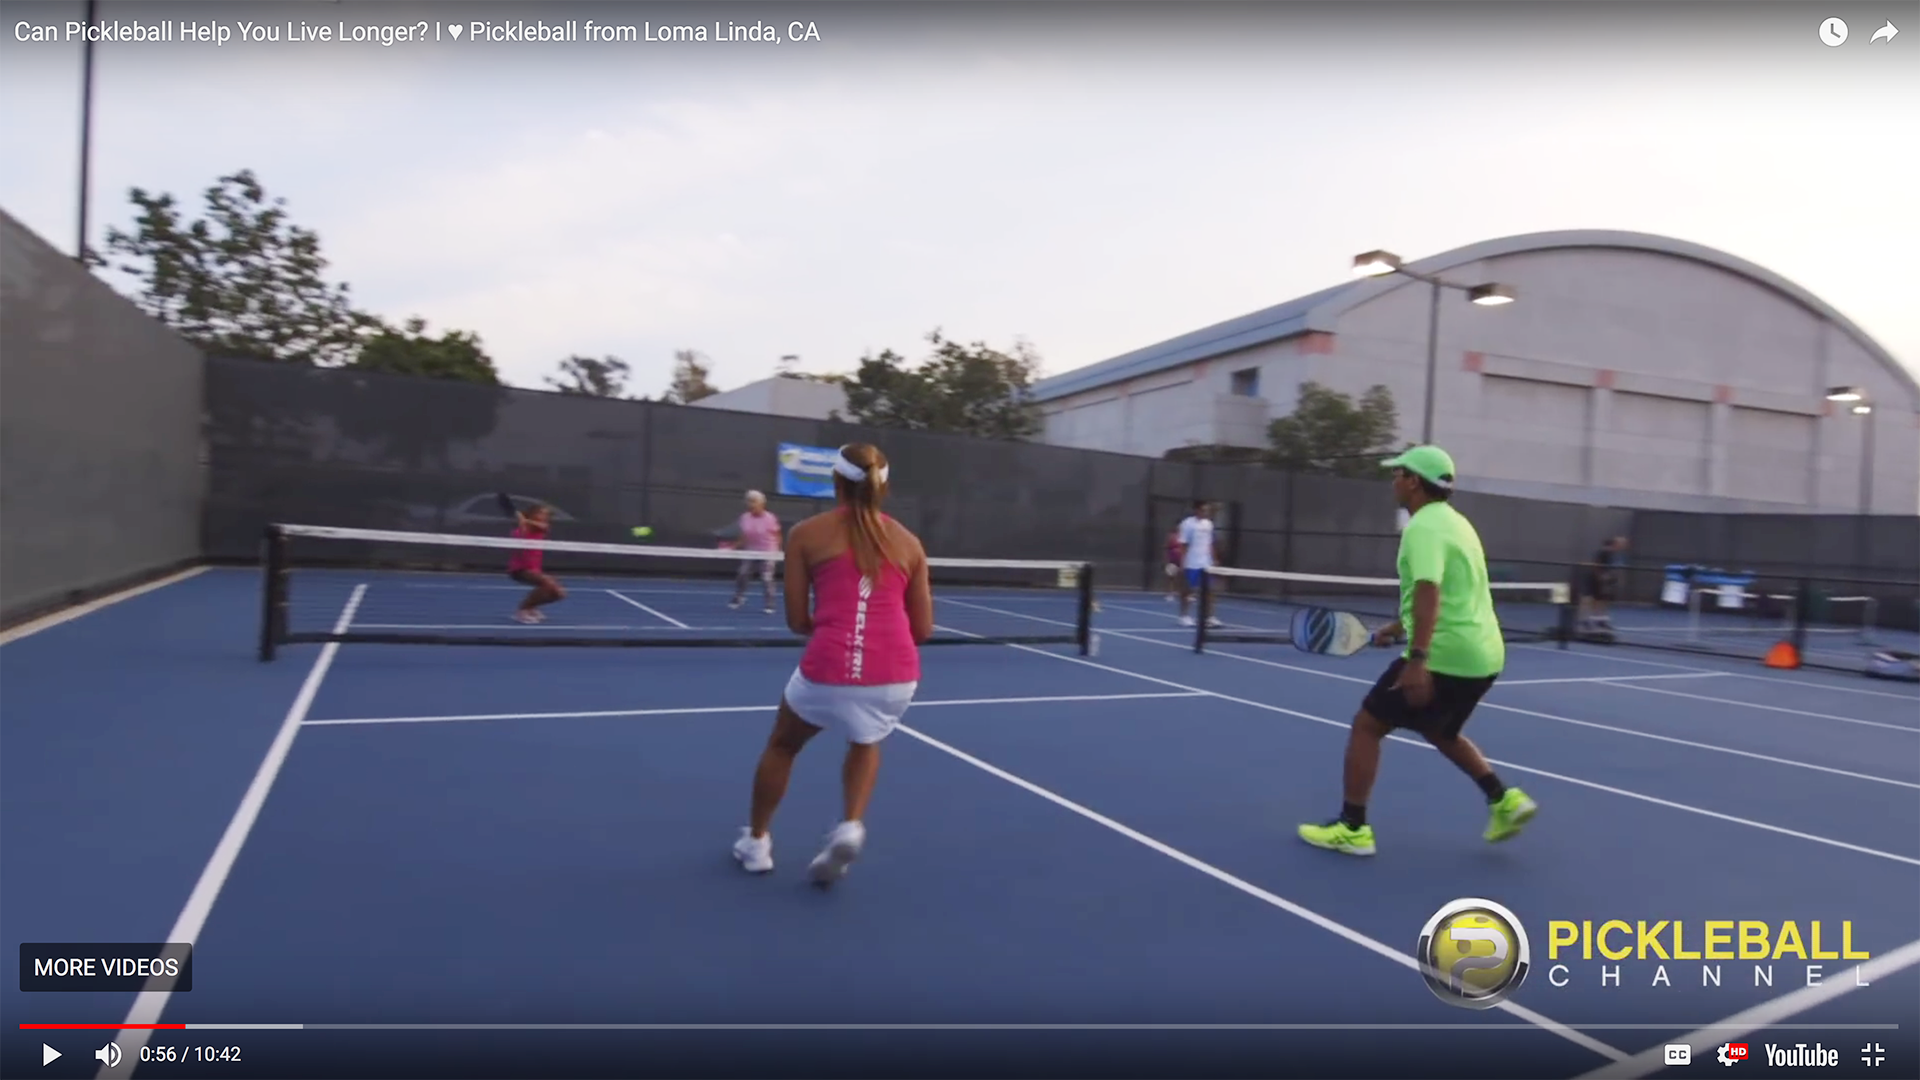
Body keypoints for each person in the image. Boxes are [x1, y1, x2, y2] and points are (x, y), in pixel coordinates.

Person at [1297, 446, 1537, 857]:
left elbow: (1430, 590)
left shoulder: (1423, 527)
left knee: (1368, 725)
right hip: (1484, 656)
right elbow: (1451, 595)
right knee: (1440, 729)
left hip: (1445, 654)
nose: (1393, 480)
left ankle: (1353, 828)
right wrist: (1396, 629)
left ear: (1413, 481)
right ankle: (1504, 799)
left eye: (1399, 473)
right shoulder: (1458, 524)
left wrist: (1418, 659)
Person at [732, 443, 933, 885]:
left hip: (828, 667)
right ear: (886, 486)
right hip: (897, 674)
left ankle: (758, 843)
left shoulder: (806, 533)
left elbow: (797, 620)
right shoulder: (910, 544)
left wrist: (841, 634)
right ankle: (850, 827)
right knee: (867, 739)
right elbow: (923, 629)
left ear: (836, 482)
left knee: (784, 744)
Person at [507, 503, 566, 624]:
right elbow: (521, 534)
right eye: (541, 513)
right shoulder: (519, 530)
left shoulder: (541, 528)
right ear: (532, 514)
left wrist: (525, 520)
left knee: (559, 594)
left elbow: (543, 527)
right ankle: (522, 610)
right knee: (548, 584)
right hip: (520, 569)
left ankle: (532, 607)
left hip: (534, 569)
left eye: (546, 514)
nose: (544, 516)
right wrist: (523, 523)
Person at [729, 490, 783, 614]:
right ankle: (739, 597)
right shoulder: (744, 517)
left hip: (768, 550)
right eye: (749, 501)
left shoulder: (770, 518)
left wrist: (779, 550)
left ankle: (770, 603)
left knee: (766, 577)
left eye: (754, 502)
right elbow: (744, 536)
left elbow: (777, 535)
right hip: (751, 550)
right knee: (742, 573)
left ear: (761, 504)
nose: (750, 504)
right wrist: (733, 547)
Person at [1176, 501, 1223, 629]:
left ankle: (1209, 617)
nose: (1206, 513)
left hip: (1206, 563)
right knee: (1188, 591)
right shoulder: (1187, 524)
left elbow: (1210, 543)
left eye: (1207, 510)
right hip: (1191, 562)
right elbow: (1183, 545)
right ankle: (1184, 616)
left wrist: (1214, 559)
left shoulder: (1209, 524)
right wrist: (1182, 563)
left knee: (1210, 591)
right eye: (1203, 510)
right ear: (1196, 510)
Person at [1578, 536, 1628, 633]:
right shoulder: (1604, 552)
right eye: (1622, 543)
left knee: (1602, 601)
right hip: (1595, 580)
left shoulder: (1616, 554)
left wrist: (1611, 578)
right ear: (1615, 543)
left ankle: (1600, 620)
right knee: (1589, 600)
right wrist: (1600, 577)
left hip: (1606, 581)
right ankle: (1584, 621)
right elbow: (1597, 565)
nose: (1623, 545)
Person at [1163, 527, 1184, 602]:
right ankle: (1170, 594)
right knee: (1171, 577)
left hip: (1183, 560)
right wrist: (1166, 559)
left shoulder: (1185, 537)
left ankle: (1186, 594)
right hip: (1172, 560)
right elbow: (1166, 548)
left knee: (1184, 578)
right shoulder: (1171, 536)